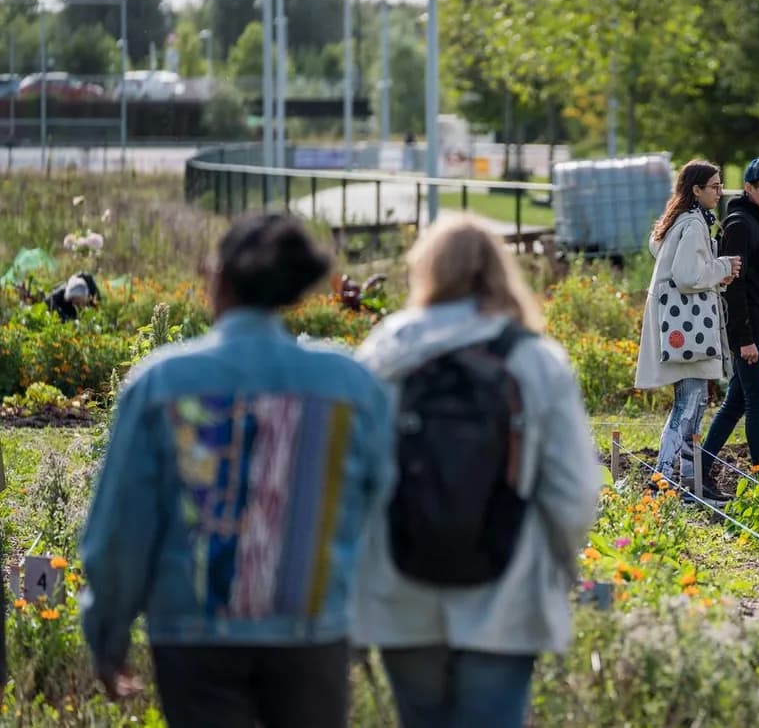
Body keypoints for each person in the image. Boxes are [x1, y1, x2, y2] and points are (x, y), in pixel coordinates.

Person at [79, 215, 393, 728]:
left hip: (193, 635)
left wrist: (108, 634)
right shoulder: (349, 386)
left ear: (218, 278)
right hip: (311, 632)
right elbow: (381, 511)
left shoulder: (161, 384)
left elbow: (120, 531)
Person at [352, 214, 601, 728]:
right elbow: (574, 492)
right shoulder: (535, 359)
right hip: (506, 593)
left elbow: (346, 478)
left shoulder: (384, 353)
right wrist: (559, 566)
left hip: (401, 592)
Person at [635, 160, 739, 500]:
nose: (719, 192)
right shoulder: (694, 224)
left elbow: (668, 261)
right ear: (696, 189)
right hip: (690, 330)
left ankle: (687, 483)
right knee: (688, 403)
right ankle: (663, 481)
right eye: (714, 186)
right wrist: (723, 266)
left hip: (679, 329)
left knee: (692, 403)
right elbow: (687, 276)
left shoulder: (678, 221)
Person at [698, 156, 759, 490]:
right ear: (749, 188)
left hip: (758, 330)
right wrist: (747, 339)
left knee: (737, 401)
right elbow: (734, 289)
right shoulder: (739, 225)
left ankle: (701, 469)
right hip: (746, 333)